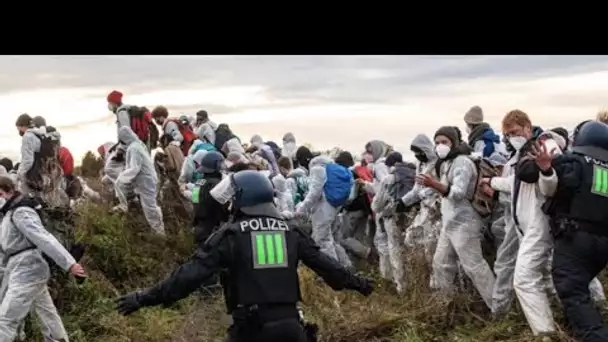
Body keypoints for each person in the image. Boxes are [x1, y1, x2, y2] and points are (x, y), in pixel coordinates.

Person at [115, 170, 373, 342]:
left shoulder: (230, 235)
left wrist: (143, 298)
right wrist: (359, 283)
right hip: (292, 329)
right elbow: (328, 267)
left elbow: (187, 277)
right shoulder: (290, 231)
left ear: (241, 198)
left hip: (251, 331)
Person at [538, 120, 608, 342]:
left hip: (575, 239)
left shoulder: (574, 162)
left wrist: (546, 169)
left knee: (573, 291)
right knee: (582, 287)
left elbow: (554, 189)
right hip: (603, 243)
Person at [0, 176, 86, 341]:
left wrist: (69, 264)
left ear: (7, 191)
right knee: (47, 313)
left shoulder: (21, 212)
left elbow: (43, 238)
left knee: (6, 319)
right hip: (21, 268)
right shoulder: (9, 215)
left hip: (28, 267)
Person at [418, 126, 495, 309]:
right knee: (441, 264)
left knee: (474, 266)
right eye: (437, 143)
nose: (440, 146)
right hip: (450, 222)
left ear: (454, 142)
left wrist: (434, 184)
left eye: (444, 142)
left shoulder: (462, 162)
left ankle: (498, 307)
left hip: (465, 223)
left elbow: (458, 193)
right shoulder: (446, 163)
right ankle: (445, 306)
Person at [295, 155, 353, 268]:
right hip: (335, 207)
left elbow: (315, 192)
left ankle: (334, 272)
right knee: (331, 239)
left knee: (323, 241)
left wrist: (301, 209)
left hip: (323, 209)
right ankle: (346, 266)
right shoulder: (333, 169)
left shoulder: (317, 169)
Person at [370, 152, 416, 293]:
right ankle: (414, 281)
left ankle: (399, 286)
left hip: (392, 218)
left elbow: (377, 204)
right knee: (408, 249)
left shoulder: (390, 178)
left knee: (394, 250)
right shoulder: (413, 173)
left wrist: (376, 209)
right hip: (411, 216)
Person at [114, 127, 165, 235]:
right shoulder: (139, 144)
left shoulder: (134, 148)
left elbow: (134, 168)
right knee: (150, 206)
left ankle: (160, 234)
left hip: (146, 180)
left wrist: (121, 178)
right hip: (147, 179)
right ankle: (157, 230)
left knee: (150, 207)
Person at [399, 134, 442, 262]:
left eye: (418, 151)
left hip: (437, 209)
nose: (417, 155)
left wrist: (427, 192)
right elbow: (416, 190)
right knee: (412, 239)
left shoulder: (438, 163)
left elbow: (443, 185)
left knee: (432, 245)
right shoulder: (421, 165)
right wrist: (403, 201)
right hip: (425, 208)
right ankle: (423, 272)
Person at [15, 114, 67, 207]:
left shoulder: (28, 136)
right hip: (53, 172)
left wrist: (20, 174)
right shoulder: (52, 137)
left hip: (37, 176)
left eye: (19, 128)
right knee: (52, 204)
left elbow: (28, 161)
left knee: (36, 204)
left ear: (22, 125)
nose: (19, 131)